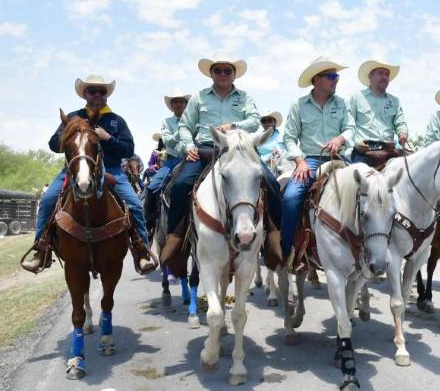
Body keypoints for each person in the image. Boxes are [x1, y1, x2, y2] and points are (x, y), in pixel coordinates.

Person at [20, 74, 157, 274]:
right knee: (49, 199)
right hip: (75, 169)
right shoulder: (74, 117)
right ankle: (41, 250)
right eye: (92, 91)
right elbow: (53, 145)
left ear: (107, 95)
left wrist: (108, 137)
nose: (97, 95)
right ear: (85, 94)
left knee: (135, 205)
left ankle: (142, 251)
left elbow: (128, 150)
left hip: (112, 171)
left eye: (102, 91)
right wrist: (68, 134)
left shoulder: (116, 121)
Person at [165, 55, 281, 240]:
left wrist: (233, 126)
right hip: (205, 149)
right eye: (218, 70)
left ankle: (274, 236)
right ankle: (175, 237)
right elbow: (185, 126)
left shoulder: (245, 97)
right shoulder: (198, 97)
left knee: (272, 183)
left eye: (228, 70)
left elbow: (253, 122)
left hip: (240, 149)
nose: (223, 74)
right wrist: (188, 146)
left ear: (234, 75)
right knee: (179, 185)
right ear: (211, 74)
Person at [280, 56, 355, 264]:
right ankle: (286, 251)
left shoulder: (342, 104)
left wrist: (340, 139)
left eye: (337, 76)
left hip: (341, 159)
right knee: (291, 198)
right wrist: (299, 161)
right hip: (311, 161)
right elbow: (289, 137)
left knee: (368, 193)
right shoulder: (299, 105)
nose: (336, 80)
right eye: (331, 76)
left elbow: (351, 129)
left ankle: (366, 250)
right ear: (317, 80)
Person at [143, 93, 192, 233]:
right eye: (175, 102)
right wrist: (182, 129)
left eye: (181, 102)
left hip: (190, 158)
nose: (178, 104)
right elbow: (168, 140)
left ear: (186, 104)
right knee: (152, 187)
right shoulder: (166, 122)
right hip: (171, 161)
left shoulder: (194, 120)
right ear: (171, 106)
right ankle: (149, 221)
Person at [348, 60, 408, 166]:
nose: (384, 77)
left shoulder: (395, 101)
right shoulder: (357, 98)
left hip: (389, 151)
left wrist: (402, 132)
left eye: (387, 74)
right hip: (363, 152)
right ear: (370, 76)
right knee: (358, 178)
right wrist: (355, 143)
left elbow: (401, 123)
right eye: (380, 73)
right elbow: (349, 126)